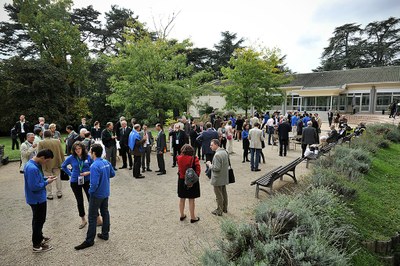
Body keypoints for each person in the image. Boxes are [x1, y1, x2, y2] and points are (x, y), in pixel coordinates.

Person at [74, 144, 115, 250]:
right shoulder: (106, 162)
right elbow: (112, 174)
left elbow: (94, 184)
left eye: (90, 151)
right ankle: (105, 234)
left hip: (97, 194)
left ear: (93, 153)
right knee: (105, 212)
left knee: (92, 217)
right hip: (105, 192)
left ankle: (89, 240)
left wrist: (90, 192)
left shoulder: (94, 166)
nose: (89, 153)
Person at [62, 142, 102, 229]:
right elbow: (63, 166)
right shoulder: (71, 158)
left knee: (91, 199)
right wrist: (71, 174)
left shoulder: (88, 156)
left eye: (79, 149)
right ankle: (83, 219)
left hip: (87, 180)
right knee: (79, 201)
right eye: (75, 149)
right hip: (75, 182)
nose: (77, 151)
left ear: (82, 149)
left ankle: (97, 218)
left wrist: (89, 172)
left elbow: (94, 167)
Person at [24, 149, 57, 252]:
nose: (46, 163)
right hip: (36, 199)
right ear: (42, 157)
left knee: (40, 220)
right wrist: (47, 182)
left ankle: (40, 237)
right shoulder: (32, 168)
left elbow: (36, 178)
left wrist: (45, 178)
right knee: (38, 221)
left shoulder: (33, 164)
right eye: (46, 161)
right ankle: (37, 245)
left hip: (38, 198)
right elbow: (34, 186)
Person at [176, 144, 201, 223]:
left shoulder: (179, 158)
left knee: (182, 198)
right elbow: (198, 170)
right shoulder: (194, 159)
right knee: (191, 199)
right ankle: (193, 217)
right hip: (191, 180)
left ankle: (182, 215)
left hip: (181, 179)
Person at [38, 130, 65, 200]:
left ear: (44, 135)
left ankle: (49, 194)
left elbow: (39, 154)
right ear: (51, 134)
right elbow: (62, 152)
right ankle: (59, 192)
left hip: (46, 163)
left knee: (47, 178)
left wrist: (39, 164)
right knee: (58, 178)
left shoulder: (41, 142)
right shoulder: (57, 141)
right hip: (57, 162)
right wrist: (63, 162)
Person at [206, 139, 229, 216]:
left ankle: (219, 210)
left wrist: (209, 165)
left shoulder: (217, 155)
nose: (210, 146)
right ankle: (225, 208)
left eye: (211, 145)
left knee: (218, 195)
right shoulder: (225, 152)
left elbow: (216, 168)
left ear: (216, 145)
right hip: (224, 176)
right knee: (224, 193)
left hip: (217, 178)